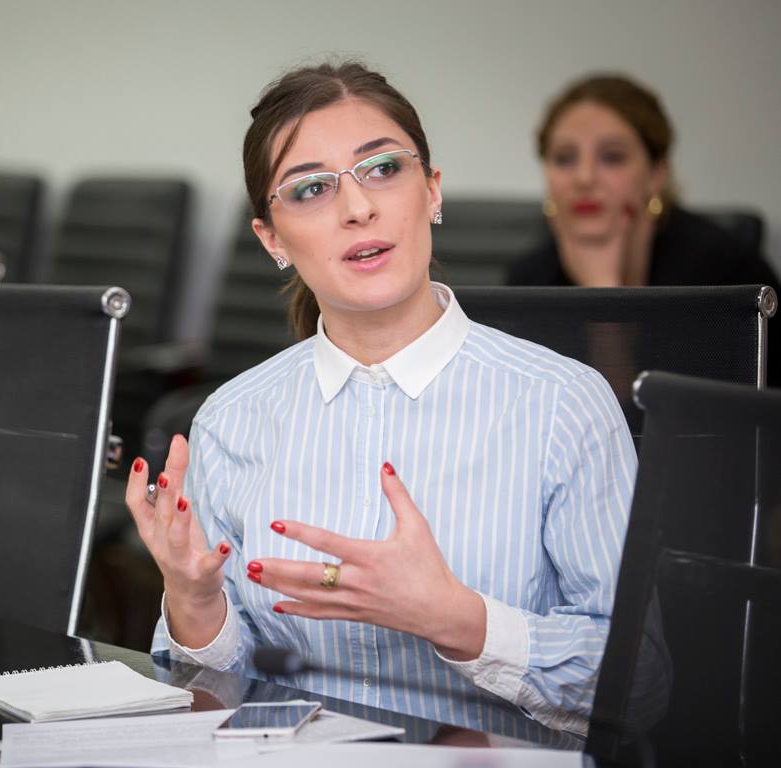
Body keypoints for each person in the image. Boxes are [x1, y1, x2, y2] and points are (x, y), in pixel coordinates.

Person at [125, 61, 636, 736]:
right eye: (311, 188)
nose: (357, 208)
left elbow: (641, 684)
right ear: (272, 239)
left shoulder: (563, 404)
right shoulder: (231, 419)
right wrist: (194, 603)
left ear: (432, 190)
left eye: (384, 168)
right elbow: (211, 697)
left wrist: (459, 620)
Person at [507, 74, 779, 383]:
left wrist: (603, 294)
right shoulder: (528, 279)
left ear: (656, 173)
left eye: (612, 157)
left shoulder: (725, 276)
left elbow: (640, 410)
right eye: (564, 159)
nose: (584, 178)